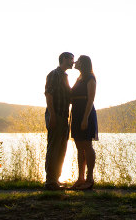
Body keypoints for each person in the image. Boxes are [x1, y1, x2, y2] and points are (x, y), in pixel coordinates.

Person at [44, 51, 74, 190]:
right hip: (56, 115)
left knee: (62, 148)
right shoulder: (54, 74)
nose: (73, 62)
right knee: (54, 147)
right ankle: (50, 182)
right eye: (71, 59)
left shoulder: (65, 76)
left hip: (64, 116)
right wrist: (52, 115)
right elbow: (49, 94)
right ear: (64, 59)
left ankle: (56, 179)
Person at [69, 55, 98, 190]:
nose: (75, 62)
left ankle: (89, 179)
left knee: (87, 145)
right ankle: (80, 178)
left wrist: (85, 118)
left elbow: (90, 99)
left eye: (78, 61)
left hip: (86, 113)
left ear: (83, 63)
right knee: (79, 147)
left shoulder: (90, 78)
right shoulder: (79, 78)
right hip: (76, 113)